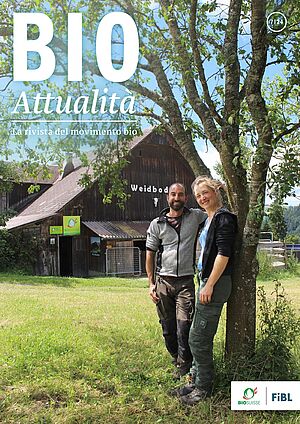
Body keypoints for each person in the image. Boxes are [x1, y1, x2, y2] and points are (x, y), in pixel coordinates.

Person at [175, 176, 237, 405]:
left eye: (205, 192)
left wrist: (209, 284)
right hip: (205, 281)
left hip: (216, 284)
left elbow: (223, 253)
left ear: (216, 190)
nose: (202, 198)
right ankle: (194, 380)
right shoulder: (208, 219)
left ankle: (203, 387)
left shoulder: (224, 218)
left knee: (198, 338)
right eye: (198, 195)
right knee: (197, 335)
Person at [146, 182, 206, 378]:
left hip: (185, 283)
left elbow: (215, 212)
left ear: (186, 198)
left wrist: (217, 189)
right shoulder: (157, 224)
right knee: (168, 329)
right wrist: (151, 284)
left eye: (180, 194)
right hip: (163, 282)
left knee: (184, 326)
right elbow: (150, 254)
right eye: (173, 194)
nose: (177, 198)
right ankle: (176, 357)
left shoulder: (195, 217)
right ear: (168, 197)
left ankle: (184, 365)